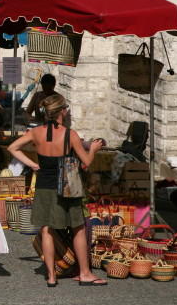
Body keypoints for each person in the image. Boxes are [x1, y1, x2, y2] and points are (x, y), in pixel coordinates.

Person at [8, 94, 106, 287]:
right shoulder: (71, 134)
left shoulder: (36, 132)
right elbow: (85, 163)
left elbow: (13, 147)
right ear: (63, 111)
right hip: (67, 184)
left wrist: (33, 165)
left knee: (47, 230)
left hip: (44, 184)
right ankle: (85, 273)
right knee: (77, 227)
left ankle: (51, 276)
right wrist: (93, 148)